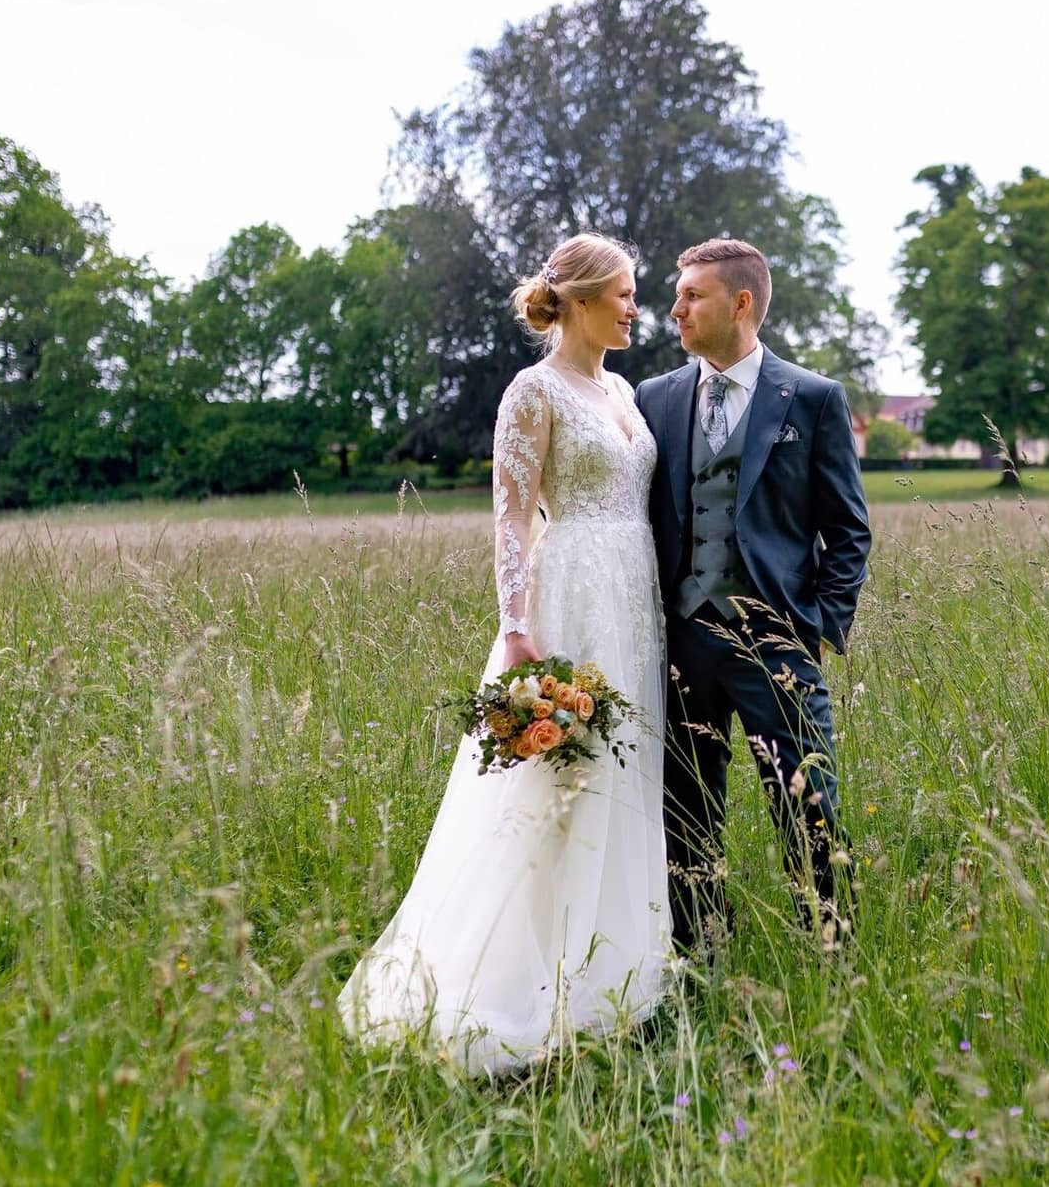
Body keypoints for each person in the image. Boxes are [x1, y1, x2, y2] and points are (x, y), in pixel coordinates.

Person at [338, 232, 670, 1073]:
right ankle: (512, 986)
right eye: (627, 292)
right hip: (568, 603)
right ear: (584, 299)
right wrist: (518, 628)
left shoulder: (623, 389)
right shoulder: (533, 391)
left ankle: (613, 980)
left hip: (635, 600)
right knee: (557, 788)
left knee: (624, 783)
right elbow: (512, 514)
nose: (638, 307)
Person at [634, 237, 872, 955]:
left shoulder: (813, 398)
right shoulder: (654, 398)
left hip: (776, 643)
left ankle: (831, 951)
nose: (674, 309)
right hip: (681, 645)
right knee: (686, 812)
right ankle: (700, 951)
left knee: (808, 806)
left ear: (740, 303)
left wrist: (819, 629)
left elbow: (848, 530)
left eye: (692, 296)